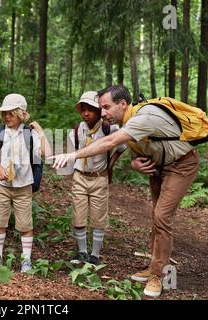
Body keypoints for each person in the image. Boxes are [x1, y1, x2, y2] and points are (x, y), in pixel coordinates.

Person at [50, 84, 200, 297]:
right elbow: (138, 150)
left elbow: (110, 142)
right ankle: (153, 267)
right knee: (156, 216)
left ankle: (159, 275)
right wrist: (134, 164)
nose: (102, 113)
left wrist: (73, 155)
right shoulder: (125, 122)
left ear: (122, 104)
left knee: (162, 216)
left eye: (106, 107)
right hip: (158, 166)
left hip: (181, 165)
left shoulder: (142, 118)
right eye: (101, 108)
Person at [0, 93, 51, 273]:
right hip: (2, 186)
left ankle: (26, 260)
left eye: (11, 113)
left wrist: (41, 132)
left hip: (23, 186)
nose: (6, 117)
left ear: (21, 114)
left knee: (25, 224)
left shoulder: (29, 135)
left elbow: (45, 153)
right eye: (4, 113)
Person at [68, 91, 126, 266]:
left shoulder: (109, 129)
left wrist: (110, 164)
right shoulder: (77, 130)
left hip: (99, 179)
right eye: (83, 110)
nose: (86, 114)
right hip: (80, 177)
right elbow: (74, 154)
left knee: (98, 217)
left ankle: (95, 254)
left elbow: (121, 147)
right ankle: (82, 252)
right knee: (78, 215)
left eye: (91, 110)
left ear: (99, 110)